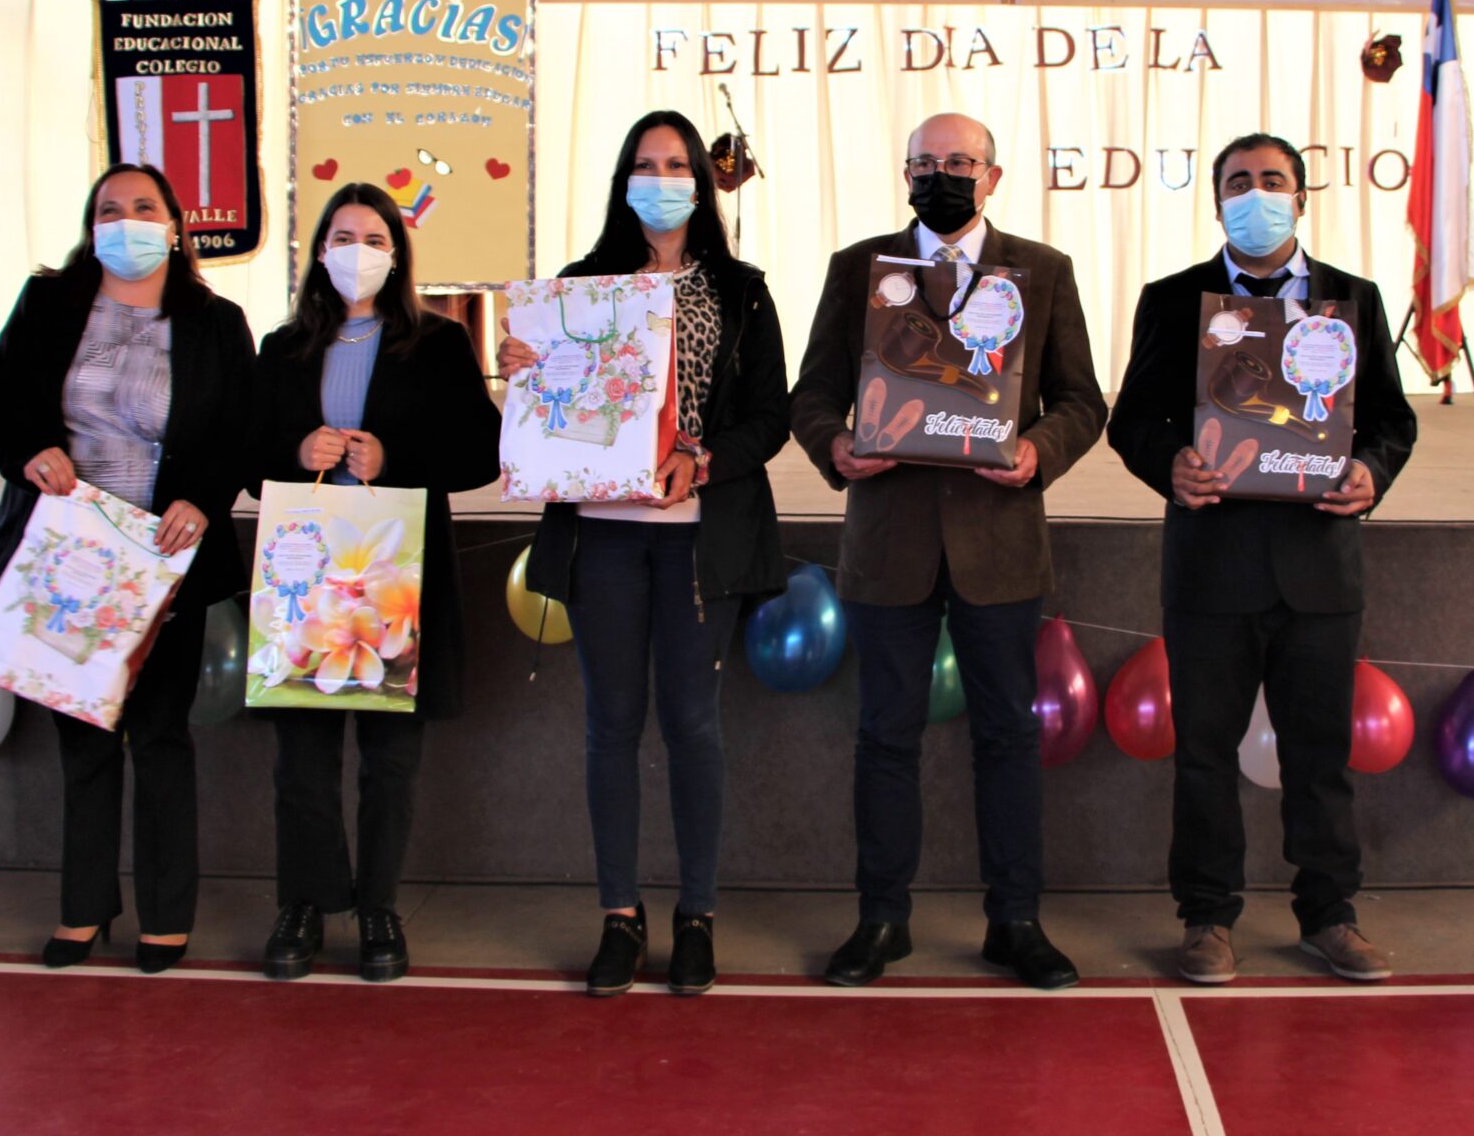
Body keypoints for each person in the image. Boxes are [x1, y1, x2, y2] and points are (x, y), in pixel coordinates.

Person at [789, 113, 1107, 989]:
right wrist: (835, 446)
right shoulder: (859, 269)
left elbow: (1082, 400)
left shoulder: (1042, 271)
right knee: (884, 736)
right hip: (888, 541)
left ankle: (1016, 919)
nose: (942, 175)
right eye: (925, 162)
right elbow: (811, 395)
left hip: (998, 543)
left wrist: (1040, 449)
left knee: (1008, 736)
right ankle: (881, 918)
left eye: (960, 161)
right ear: (905, 175)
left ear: (992, 176)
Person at [1105, 134, 1417, 984]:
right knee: (1204, 755)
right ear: (1217, 203)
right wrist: (1169, 463)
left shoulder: (1353, 299)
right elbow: (1132, 420)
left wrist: (1371, 471)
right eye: (1238, 182)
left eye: (1272, 180)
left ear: (1301, 197)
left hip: (1320, 567)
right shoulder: (1173, 299)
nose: (1256, 195)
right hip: (1211, 567)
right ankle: (1207, 917)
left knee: (1320, 757)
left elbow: (1392, 420)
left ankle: (1330, 915)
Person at [507, 111, 791, 998]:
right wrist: (525, 369)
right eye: (644, 163)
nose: (660, 179)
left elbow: (770, 418)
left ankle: (696, 914)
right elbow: (547, 413)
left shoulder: (742, 291)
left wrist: (702, 460)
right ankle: (620, 915)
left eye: (675, 165)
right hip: (601, 531)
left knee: (694, 724)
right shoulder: (576, 289)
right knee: (610, 724)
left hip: (699, 537)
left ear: (700, 183)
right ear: (622, 180)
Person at [0, 163, 254, 973]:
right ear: (91, 227)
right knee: (84, 738)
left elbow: (240, 429)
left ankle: (166, 914)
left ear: (174, 226)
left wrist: (204, 497)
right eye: (109, 209)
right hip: (70, 553)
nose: (125, 221)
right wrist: (31, 450)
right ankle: (84, 906)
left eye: (143, 207)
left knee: (160, 734)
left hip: (163, 556)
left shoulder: (216, 321)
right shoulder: (48, 304)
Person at [252, 183, 499, 985]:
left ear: (396, 254)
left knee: (390, 757)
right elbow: (249, 458)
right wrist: (296, 452)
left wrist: (395, 459)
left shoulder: (439, 342)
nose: (356, 250)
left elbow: (482, 452)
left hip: (399, 575)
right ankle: (304, 900)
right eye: (341, 235)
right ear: (319, 250)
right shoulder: (283, 347)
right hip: (307, 576)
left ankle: (378, 904)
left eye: (373, 237)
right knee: (302, 754)